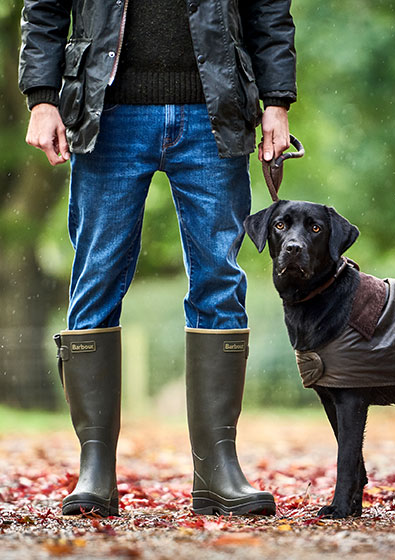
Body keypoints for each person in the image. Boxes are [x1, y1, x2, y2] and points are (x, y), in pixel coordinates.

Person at [19, 0, 296, 517]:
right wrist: (41, 96)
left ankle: (218, 469)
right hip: (109, 112)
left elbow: (268, 12)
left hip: (215, 113)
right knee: (95, 279)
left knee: (219, 281)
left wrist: (277, 99)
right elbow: (45, 7)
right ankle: (95, 469)